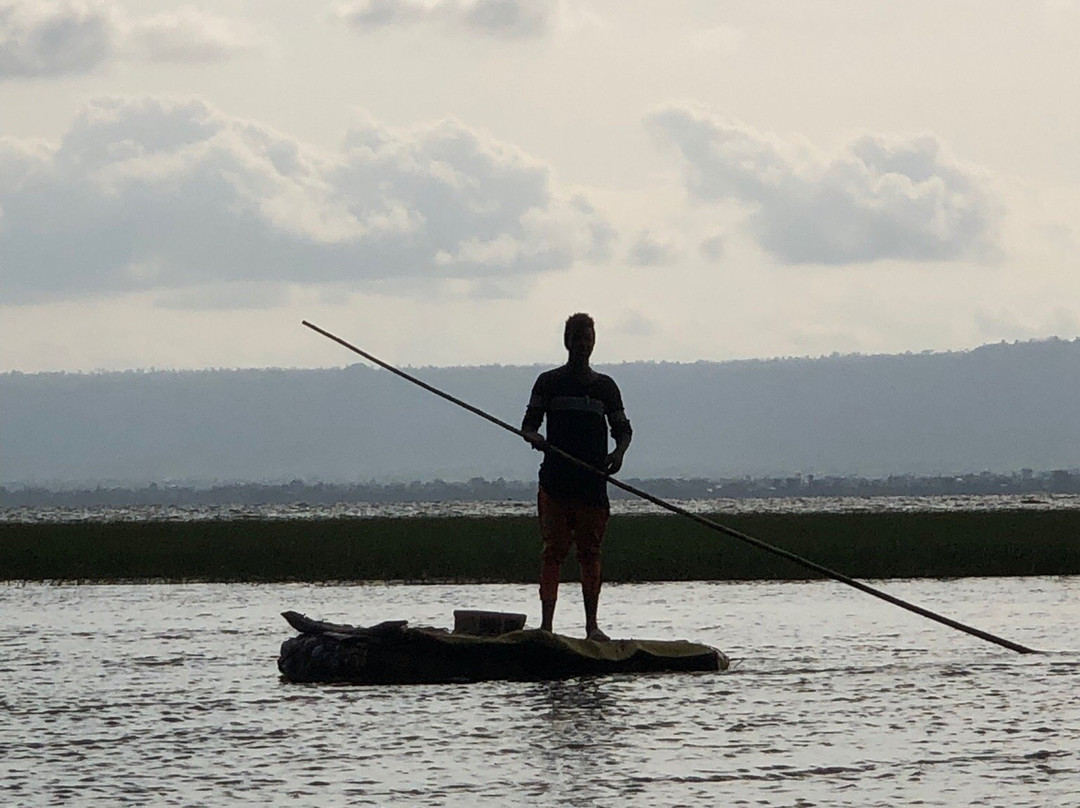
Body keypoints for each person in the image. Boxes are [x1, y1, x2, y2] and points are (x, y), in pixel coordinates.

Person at [520, 313, 632, 641]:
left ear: (593, 343)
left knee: (590, 553)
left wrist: (618, 454)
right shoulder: (549, 383)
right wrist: (533, 437)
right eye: (577, 339)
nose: (582, 345)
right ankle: (547, 627)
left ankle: (591, 627)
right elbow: (529, 423)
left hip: (592, 484)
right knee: (553, 551)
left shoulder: (605, 388)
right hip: (555, 482)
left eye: (587, 339)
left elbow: (623, 430)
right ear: (566, 342)